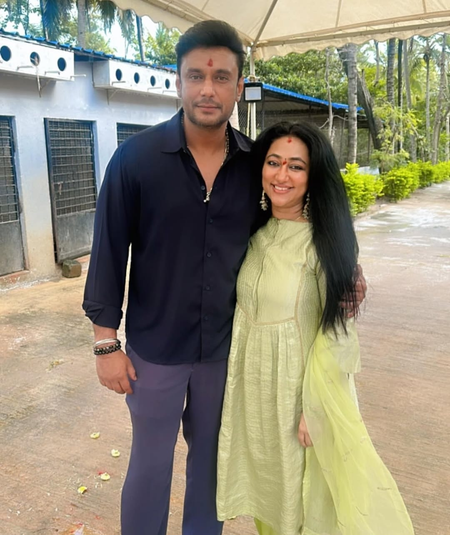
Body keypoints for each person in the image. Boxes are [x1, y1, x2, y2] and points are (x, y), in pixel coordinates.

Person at [82, 20, 366, 535]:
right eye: (196, 76)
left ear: (239, 86)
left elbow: (290, 220)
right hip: (154, 351)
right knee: (149, 465)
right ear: (178, 81)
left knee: (211, 468)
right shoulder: (135, 159)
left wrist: (345, 266)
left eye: (221, 77)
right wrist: (106, 342)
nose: (207, 89)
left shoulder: (256, 164)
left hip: (224, 351)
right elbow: (108, 252)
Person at [216, 122, 415, 535]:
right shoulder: (254, 234)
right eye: (273, 162)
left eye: (296, 166)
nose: (281, 175)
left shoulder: (321, 244)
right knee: (271, 497)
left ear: (313, 177)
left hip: (300, 396)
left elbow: (338, 335)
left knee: (307, 504)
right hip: (255, 393)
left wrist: (317, 409)